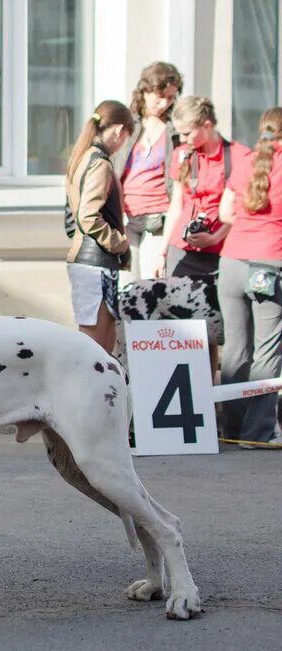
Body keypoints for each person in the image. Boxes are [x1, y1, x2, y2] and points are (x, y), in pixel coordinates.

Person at [217, 107, 282, 448]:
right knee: (267, 350)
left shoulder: (245, 160)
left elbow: (225, 212)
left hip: (231, 262)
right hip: (268, 265)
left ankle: (231, 429)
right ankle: (258, 434)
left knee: (235, 350)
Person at [65, 101, 134, 353]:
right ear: (119, 130)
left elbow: (71, 219)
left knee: (99, 345)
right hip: (96, 263)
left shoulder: (81, 158)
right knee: (96, 347)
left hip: (87, 261)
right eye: (126, 136)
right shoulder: (100, 163)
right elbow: (87, 216)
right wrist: (120, 243)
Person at [154, 96, 248, 279]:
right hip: (182, 249)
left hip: (223, 250)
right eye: (179, 133)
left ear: (207, 126)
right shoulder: (181, 155)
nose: (182, 139)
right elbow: (176, 207)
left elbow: (242, 210)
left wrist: (215, 238)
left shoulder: (239, 155)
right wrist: (162, 253)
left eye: (187, 133)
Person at [112, 62, 183, 281]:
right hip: (126, 220)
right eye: (159, 95)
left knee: (151, 288)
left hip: (158, 221)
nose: (164, 103)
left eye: (171, 98)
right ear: (144, 91)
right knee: (125, 286)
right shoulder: (126, 125)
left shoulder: (175, 131)